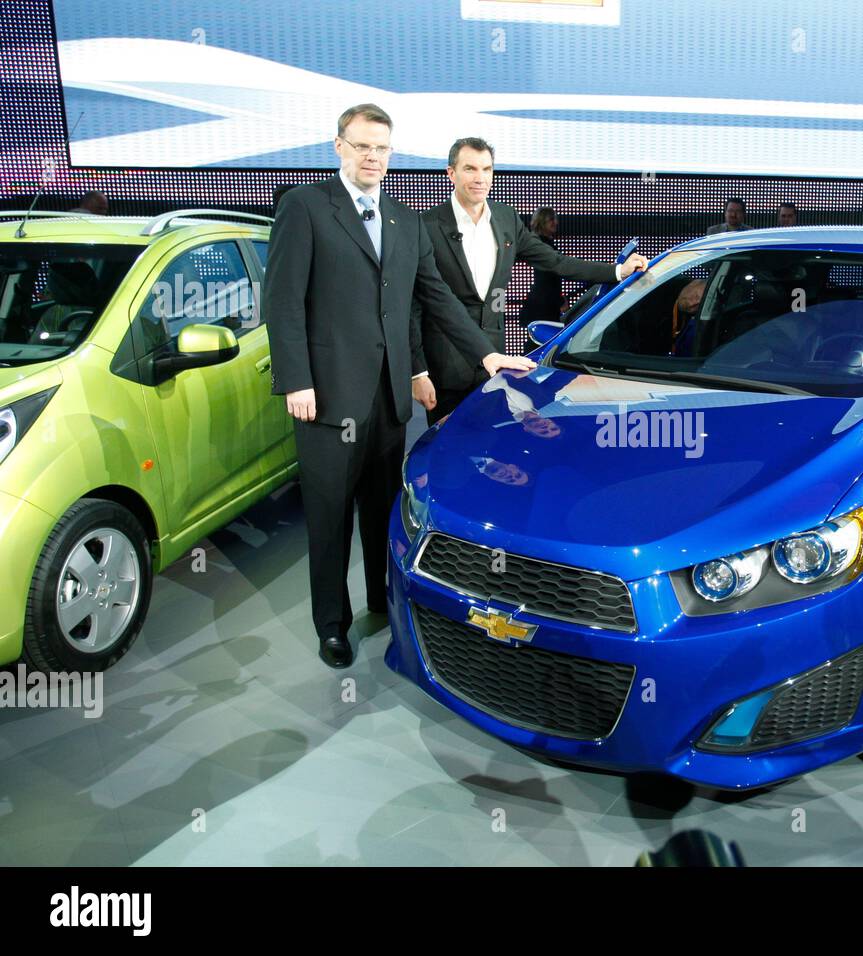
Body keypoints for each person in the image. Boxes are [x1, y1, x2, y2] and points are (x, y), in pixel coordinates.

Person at [263, 105, 534, 669]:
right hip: (327, 399)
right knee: (330, 519)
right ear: (338, 146)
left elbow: (434, 296)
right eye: (362, 146)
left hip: (387, 400)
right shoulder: (306, 206)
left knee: (381, 513)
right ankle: (332, 625)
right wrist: (296, 379)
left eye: (382, 149)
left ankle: (380, 604)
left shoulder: (404, 220)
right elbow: (283, 300)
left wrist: (488, 355)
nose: (372, 158)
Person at [416, 138, 648, 425]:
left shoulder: (505, 218)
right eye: (470, 169)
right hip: (446, 366)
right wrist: (418, 373)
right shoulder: (425, 225)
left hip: (493, 365)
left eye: (486, 169)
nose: (480, 178)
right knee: (444, 453)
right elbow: (416, 305)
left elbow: (555, 262)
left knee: (491, 445)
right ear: (451, 173)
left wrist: (617, 272)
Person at [517, 207, 563, 327]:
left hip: (542, 304)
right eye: (551, 219)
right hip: (544, 305)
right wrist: (560, 301)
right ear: (542, 222)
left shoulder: (539, 243)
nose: (555, 223)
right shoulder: (541, 245)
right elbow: (548, 278)